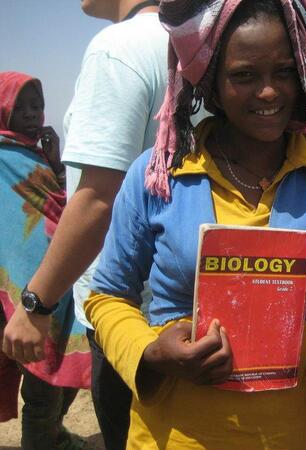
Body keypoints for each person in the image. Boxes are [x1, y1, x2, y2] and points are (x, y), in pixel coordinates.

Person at [82, 0, 306, 448]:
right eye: (244, 75)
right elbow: (108, 295)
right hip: (173, 435)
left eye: (284, 72)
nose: (268, 93)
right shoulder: (159, 175)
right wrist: (152, 353)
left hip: (292, 435)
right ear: (212, 79)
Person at [1, 1, 174, 449]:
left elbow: (97, 199)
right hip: (177, 293)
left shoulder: (118, 49)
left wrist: (36, 304)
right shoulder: (192, 41)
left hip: (124, 307)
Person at [0, 71, 90, 449]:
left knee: (61, 375)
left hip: (52, 283)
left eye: (36, 106)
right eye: (20, 106)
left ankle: (52, 434)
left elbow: (57, 207)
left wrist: (55, 165)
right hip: (21, 288)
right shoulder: (4, 157)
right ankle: (44, 440)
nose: (32, 114)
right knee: (44, 381)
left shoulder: (34, 152)